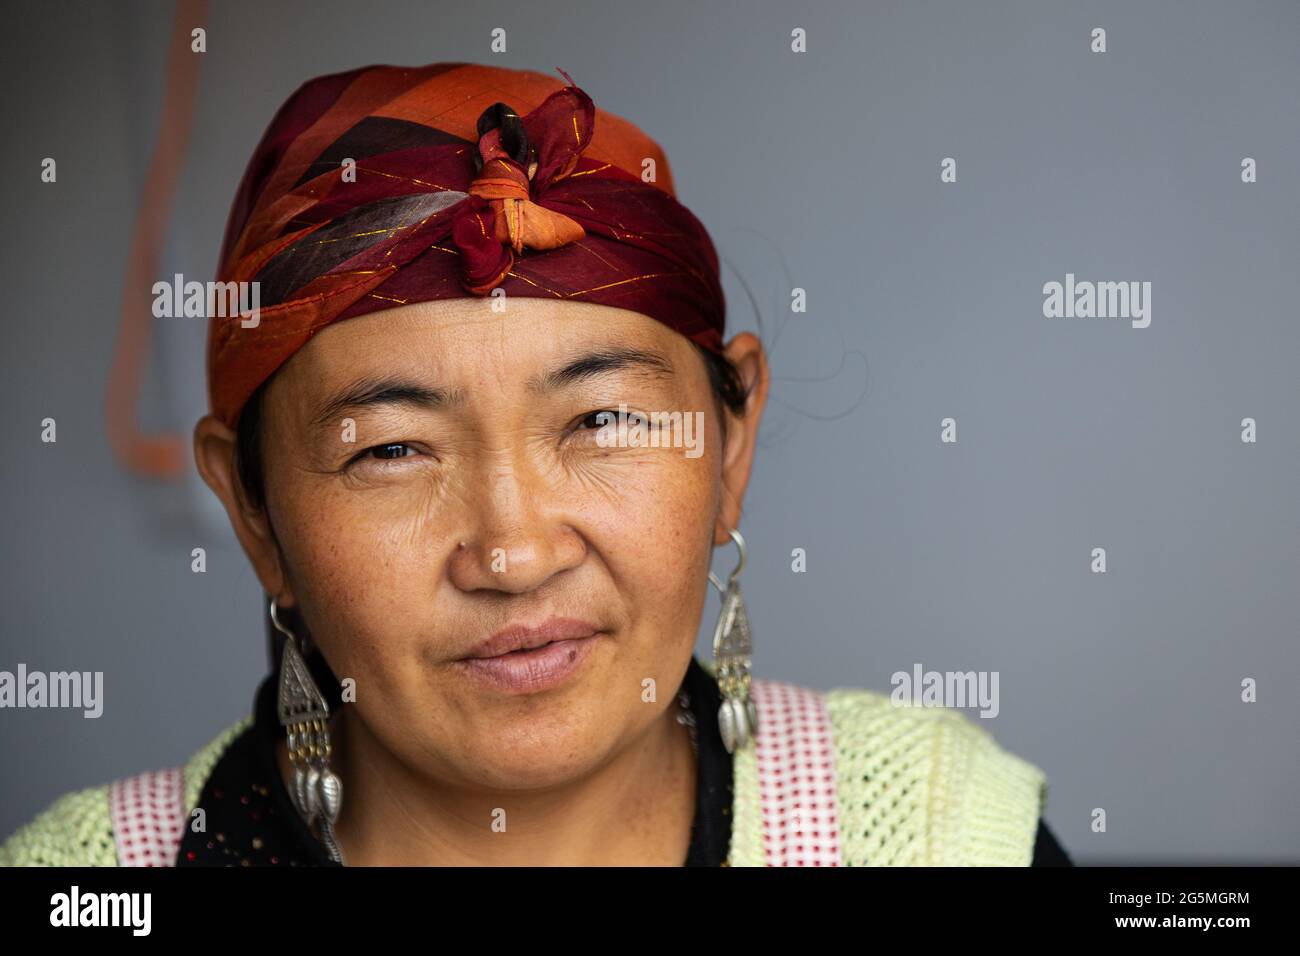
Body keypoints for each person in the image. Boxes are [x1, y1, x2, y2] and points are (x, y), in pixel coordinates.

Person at [0, 62, 1069, 867]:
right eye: (392, 448)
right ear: (253, 508)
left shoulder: (938, 828)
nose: (512, 552)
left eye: (601, 419)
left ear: (728, 445)